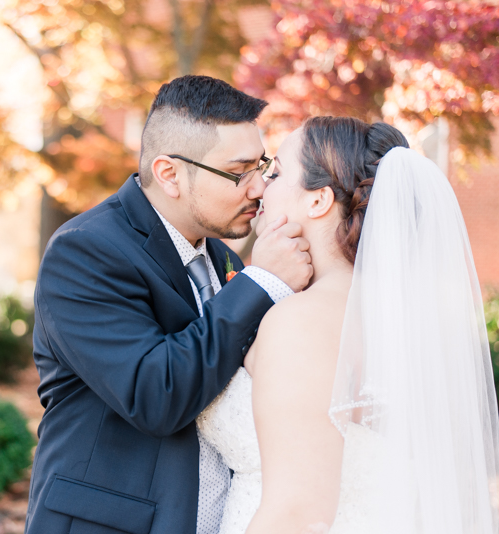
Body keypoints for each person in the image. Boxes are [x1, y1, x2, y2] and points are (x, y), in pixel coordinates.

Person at [25, 75, 313, 534]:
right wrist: (262, 281)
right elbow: (154, 394)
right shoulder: (84, 251)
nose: (258, 188)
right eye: (239, 172)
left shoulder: (222, 258)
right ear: (169, 174)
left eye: (262, 166)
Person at [197, 116, 499, 533]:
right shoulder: (403, 323)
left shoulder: (301, 322)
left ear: (318, 201)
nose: (262, 186)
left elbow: (298, 513)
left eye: (278, 172)